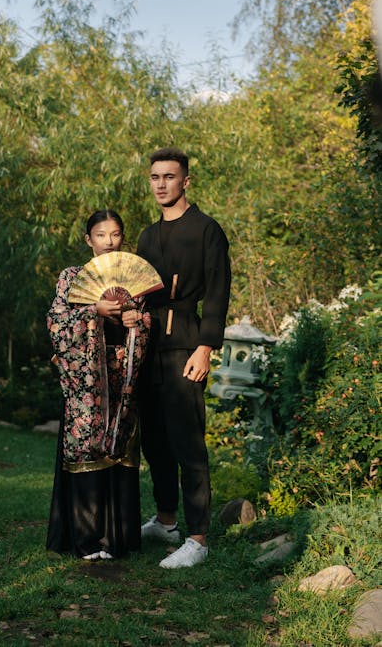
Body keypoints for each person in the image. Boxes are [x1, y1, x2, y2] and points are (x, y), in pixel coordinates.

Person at [137, 148, 231, 569]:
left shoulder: (207, 230)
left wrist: (205, 347)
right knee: (154, 441)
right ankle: (167, 520)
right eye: (155, 177)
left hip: (186, 345)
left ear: (186, 181)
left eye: (169, 177)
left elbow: (217, 292)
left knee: (187, 443)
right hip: (148, 346)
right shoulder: (147, 236)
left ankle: (197, 538)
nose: (161, 184)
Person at [46, 210, 151, 560]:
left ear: (123, 238)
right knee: (87, 444)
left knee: (120, 444)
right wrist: (94, 311)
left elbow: (144, 321)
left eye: (116, 234)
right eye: (101, 235)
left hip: (122, 378)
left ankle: (118, 538)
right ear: (88, 239)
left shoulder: (135, 276)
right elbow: (57, 323)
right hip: (88, 380)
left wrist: (137, 319)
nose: (109, 241)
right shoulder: (72, 277)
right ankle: (87, 539)